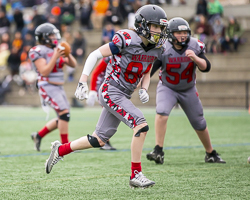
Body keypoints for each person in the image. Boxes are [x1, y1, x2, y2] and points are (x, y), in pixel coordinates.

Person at [45, 4, 168, 189]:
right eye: (155, 26)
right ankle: (136, 174)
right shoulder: (126, 39)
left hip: (123, 94)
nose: (159, 31)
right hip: (111, 90)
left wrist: (144, 87)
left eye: (161, 27)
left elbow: (147, 67)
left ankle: (60, 150)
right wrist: (83, 81)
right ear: (142, 25)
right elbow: (95, 54)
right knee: (141, 124)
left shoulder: (156, 47)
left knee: (99, 139)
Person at [146, 17, 226, 164]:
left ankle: (210, 153)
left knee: (199, 122)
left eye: (184, 32)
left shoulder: (194, 45)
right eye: (178, 32)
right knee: (162, 112)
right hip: (167, 87)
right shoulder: (163, 47)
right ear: (170, 34)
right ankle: (158, 150)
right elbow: (150, 70)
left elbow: (206, 67)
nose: (182, 35)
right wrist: (141, 85)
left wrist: (195, 58)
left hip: (188, 89)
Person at [29, 23, 77, 151]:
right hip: (47, 85)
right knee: (64, 114)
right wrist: (55, 55)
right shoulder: (37, 51)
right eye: (51, 35)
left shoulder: (56, 47)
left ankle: (38, 136)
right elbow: (44, 71)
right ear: (44, 37)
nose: (54, 37)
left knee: (63, 116)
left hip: (58, 87)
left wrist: (67, 53)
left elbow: (73, 64)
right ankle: (65, 146)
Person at [87, 57, 116, 150]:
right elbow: (95, 73)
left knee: (110, 113)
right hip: (104, 88)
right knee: (108, 112)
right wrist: (92, 90)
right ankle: (102, 140)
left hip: (112, 87)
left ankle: (103, 140)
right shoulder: (109, 58)